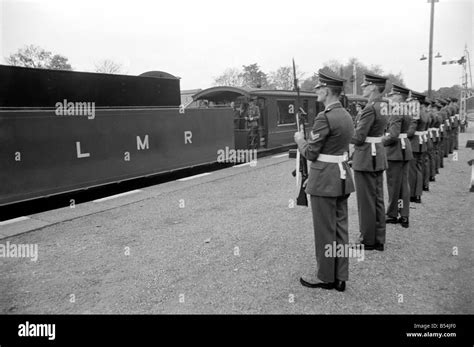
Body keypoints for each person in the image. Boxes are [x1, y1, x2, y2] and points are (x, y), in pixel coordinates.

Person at [294, 69, 355, 292]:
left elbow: (311, 152)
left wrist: (300, 140)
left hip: (324, 181)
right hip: (341, 178)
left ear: (327, 90)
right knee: (340, 229)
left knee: (324, 231)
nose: (316, 91)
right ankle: (340, 276)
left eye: (319, 87)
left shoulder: (325, 117)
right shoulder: (346, 115)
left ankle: (326, 277)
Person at [350, 73, 388, 251]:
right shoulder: (384, 105)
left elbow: (358, 137)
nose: (363, 88)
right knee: (378, 198)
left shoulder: (370, 108)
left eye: (365, 86)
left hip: (366, 157)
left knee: (366, 201)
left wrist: (342, 132)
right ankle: (379, 237)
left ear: (373, 87)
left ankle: (367, 240)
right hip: (377, 155)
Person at [383, 84, 414, 228]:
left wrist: (380, 141)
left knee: (393, 184)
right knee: (403, 184)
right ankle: (404, 214)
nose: (390, 97)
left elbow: (393, 136)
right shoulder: (406, 109)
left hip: (395, 150)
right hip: (404, 148)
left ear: (399, 96)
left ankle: (392, 213)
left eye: (392, 95)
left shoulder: (396, 111)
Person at [407, 91, 429, 204]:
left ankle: (412, 194)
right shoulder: (424, 112)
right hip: (421, 143)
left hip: (414, 143)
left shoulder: (416, 112)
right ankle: (418, 193)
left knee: (412, 170)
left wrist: (402, 135)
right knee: (419, 169)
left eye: (412, 100)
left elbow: (411, 131)